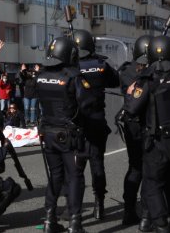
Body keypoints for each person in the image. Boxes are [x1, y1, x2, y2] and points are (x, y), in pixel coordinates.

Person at [121, 35, 170, 233]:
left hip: (157, 140)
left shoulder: (148, 78)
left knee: (152, 183)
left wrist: (131, 93)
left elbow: (132, 109)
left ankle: (161, 223)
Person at [36, 37, 95, 233]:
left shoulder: (41, 76)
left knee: (55, 176)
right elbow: (87, 104)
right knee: (75, 177)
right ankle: (75, 223)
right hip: (69, 134)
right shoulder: (73, 76)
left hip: (48, 132)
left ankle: (48, 219)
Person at [74, 29, 120, 220]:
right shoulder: (101, 65)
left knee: (76, 169)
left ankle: (75, 209)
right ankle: (99, 205)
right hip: (96, 121)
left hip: (76, 124)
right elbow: (115, 81)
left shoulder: (70, 67)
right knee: (97, 164)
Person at [117, 35, 153, 229]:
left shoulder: (126, 71)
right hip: (149, 125)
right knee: (149, 170)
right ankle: (147, 213)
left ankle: (129, 210)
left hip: (132, 125)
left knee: (135, 168)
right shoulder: (154, 71)